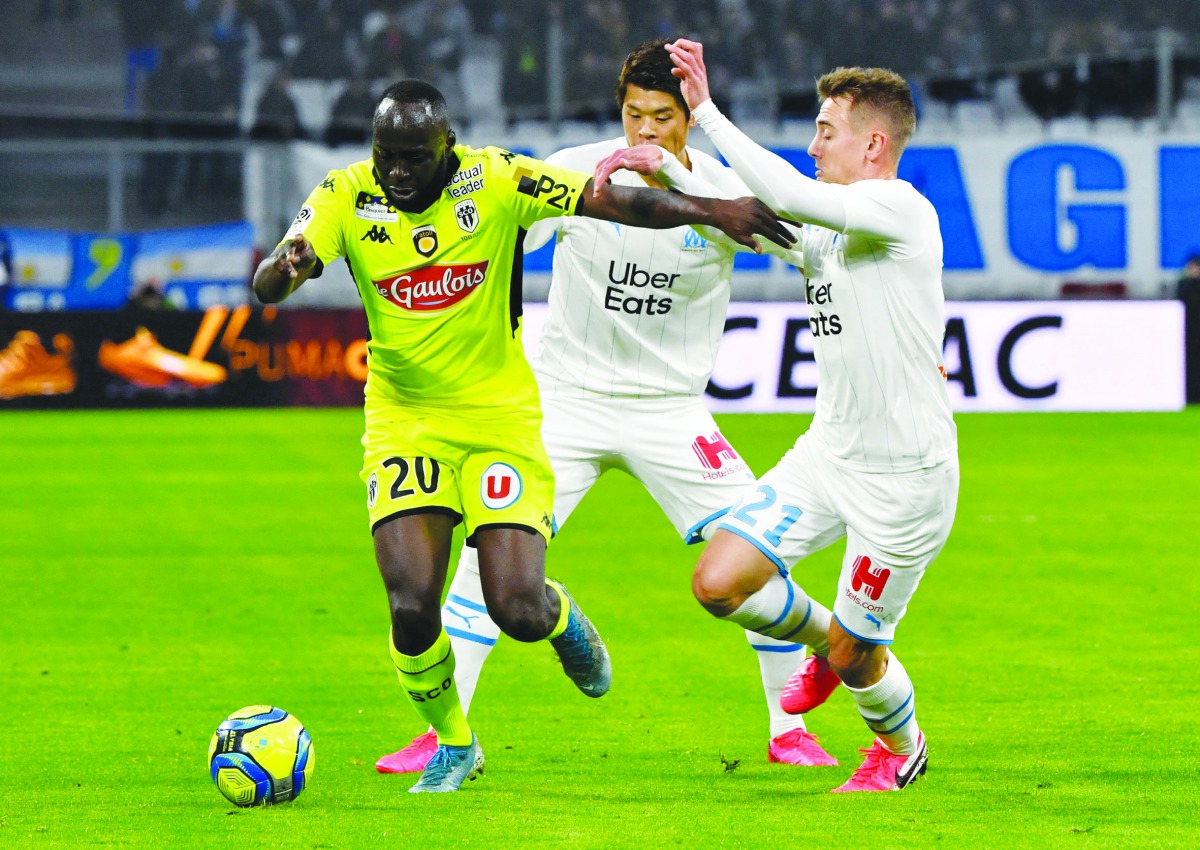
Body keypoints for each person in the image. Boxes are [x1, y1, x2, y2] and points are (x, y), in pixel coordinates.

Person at [252, 79, 794, 793]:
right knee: (413, 603)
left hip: (499, 421)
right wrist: (284, 269)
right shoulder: (347, 193)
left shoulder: (499, 178)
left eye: (414, 158)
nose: (397, 173)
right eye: (387, 156)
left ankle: (559, 616)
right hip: (403, 422)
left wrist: (713, 209)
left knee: (517, 608)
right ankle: (454, 742)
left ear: (447, 149)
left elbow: (614, 201)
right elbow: (283, 267)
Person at [376, 40, 837, 777]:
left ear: (689, 119)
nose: (645, 133)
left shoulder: (720, 193)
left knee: (753, 563)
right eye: (633, 116)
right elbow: (499, 229)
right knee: (477, 562)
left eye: (662, 118)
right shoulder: (577, 167)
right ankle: (445, 735)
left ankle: (789, 728)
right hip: (562, 402)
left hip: (670, 411)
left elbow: (809, 254)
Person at [594, 39, 959, 793]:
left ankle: (901, 744)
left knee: (862, 659)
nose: (813, 142)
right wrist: (663, 165)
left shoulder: (899, 208)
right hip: (829, 455)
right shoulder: (830, 229)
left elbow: (788, 197)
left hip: (905, 480)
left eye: (827, 131)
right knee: (718, 582)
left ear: (874, 142)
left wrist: (707, 115)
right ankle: (836, 641)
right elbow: (757, 222)